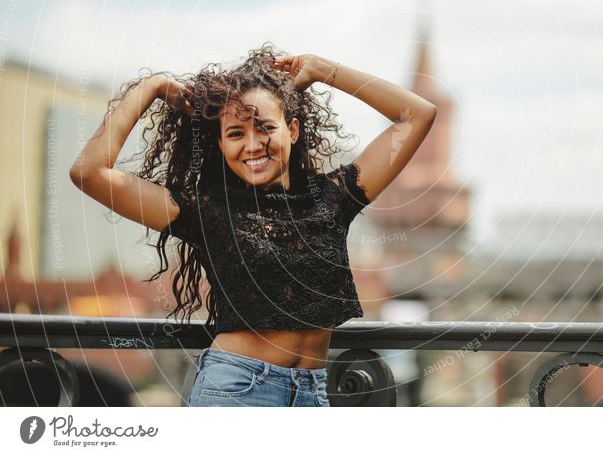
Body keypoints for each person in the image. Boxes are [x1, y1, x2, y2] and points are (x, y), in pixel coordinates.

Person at [69, 43, 437, 406]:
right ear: (221, 143)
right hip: (236, 391)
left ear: (292, 130)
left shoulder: (333, 197)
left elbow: (417, 114)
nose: (252, 144)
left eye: (264, 127)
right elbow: (89, 172)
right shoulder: (205, 210)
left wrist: (325, 70)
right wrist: (152, 87)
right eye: (235, 133)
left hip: (313, 394)